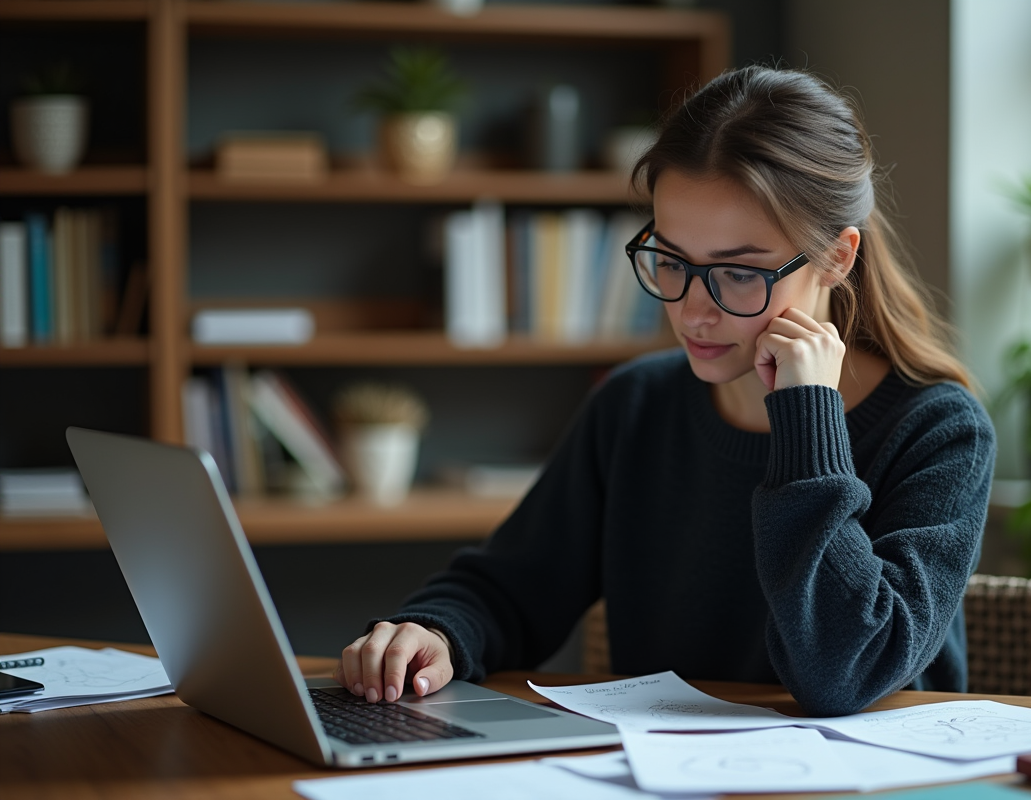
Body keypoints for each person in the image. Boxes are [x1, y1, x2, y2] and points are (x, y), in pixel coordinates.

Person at [335, 65, 996, 717]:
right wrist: (436, 631)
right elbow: (512, 587)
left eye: (740, 273)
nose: (692, 311)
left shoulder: (940, 430)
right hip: (659, 768)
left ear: (837, 257)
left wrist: (806, 421)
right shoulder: (636, 405)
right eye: (672, 260)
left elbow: (843, 672)